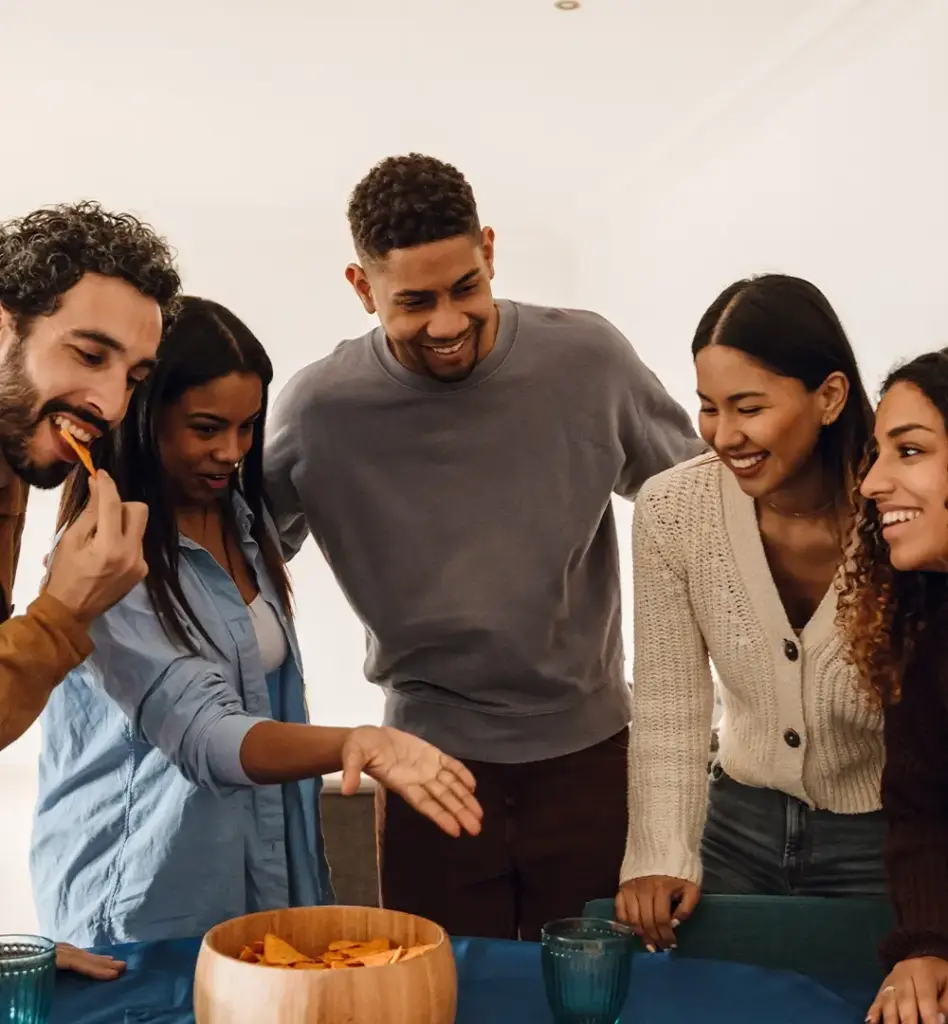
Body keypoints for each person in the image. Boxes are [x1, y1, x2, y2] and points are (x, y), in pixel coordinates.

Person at [264, 153, 703, 941]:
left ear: (490, 251)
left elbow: (701, 506)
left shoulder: (590, 361)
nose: (446, 323)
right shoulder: (319, 410)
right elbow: (237, 559)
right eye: (414, 301)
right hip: (430, 765)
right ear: (362, 290)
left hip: (593, 754)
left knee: (597, 992)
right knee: (446, 995)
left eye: (466, 287)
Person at [31, 297, 482, 948]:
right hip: (142, 908)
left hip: (260, 884)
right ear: (142, 417)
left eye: (246, 430)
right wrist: (360, 742)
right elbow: (209, 737)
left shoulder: (245, 525)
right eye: (207, 428)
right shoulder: (102, 563)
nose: (230, 452)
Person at [615, 274, 886, 952]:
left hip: (887, 842)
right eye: (708, 407)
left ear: (829, 397)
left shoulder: (902, 507)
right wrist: (660, 851)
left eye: (749, 407)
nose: (723, 435)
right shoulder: (674, 510)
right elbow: (670, 700)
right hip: (734, 829)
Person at [0, 201, 180, 979]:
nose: (108, 405)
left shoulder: (13, 469)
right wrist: (64, 611)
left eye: (132, 377)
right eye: (87, 353)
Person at [839, 349, 948, 1024]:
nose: (872, 483)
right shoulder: (926, 626)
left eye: (909, 451)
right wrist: (927, 948)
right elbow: (923, 810)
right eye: (877, 454)